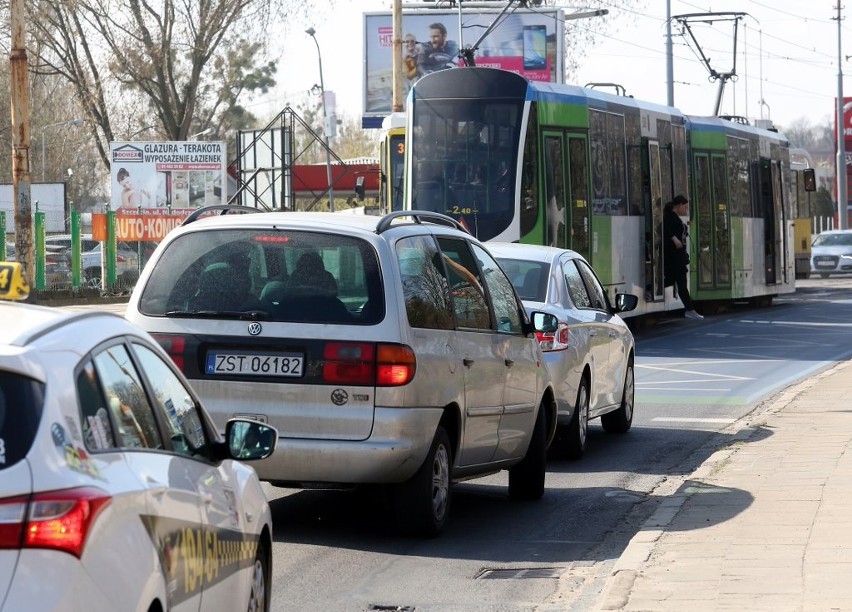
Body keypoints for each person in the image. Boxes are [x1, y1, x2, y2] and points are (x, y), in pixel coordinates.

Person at [663, 194, 703, 320]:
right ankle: (690, 310)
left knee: (670, 280)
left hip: (678, 256)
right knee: (681, 283)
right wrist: (674, 238)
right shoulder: (669, 216)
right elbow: (665, 228)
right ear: (679, 205)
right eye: (685, 207)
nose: (685, 210)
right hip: (674, 256)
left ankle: (690, 310)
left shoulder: (674, 216)